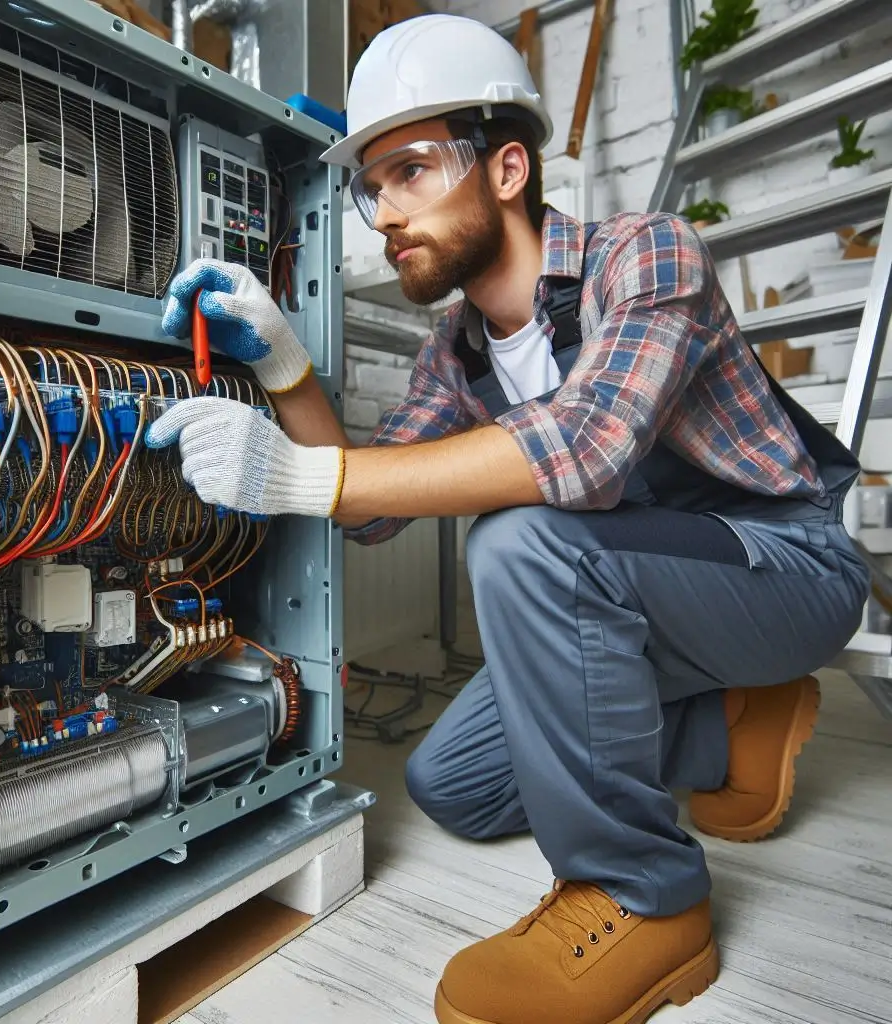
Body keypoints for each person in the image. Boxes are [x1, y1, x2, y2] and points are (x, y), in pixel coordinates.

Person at [147, 13, 871, 1024]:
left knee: (522, 537)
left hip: (782, 571)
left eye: (412, 171)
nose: (384, 212)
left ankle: (643, 895)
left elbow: (584, 451)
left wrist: (306, 479)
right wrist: (283, 367)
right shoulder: (457, 350)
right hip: (644, 596)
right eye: (372, 185)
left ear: (506, 169)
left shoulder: (645, 257)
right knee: (455, 783)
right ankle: (730, 719)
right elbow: (368, 505)